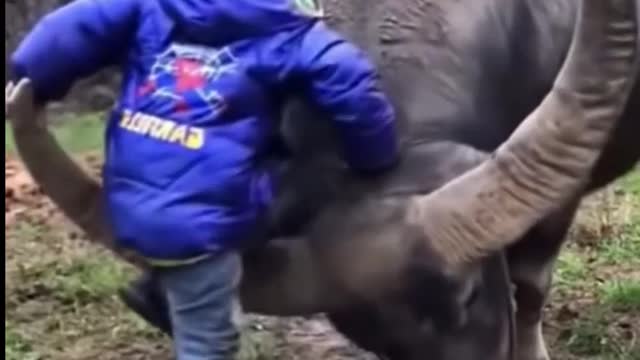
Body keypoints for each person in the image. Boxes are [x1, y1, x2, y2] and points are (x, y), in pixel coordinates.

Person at [8, 0, 399, 358]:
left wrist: (29, 77)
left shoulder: (155, 6)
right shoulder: (293, 37)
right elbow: (353, 90)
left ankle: (165, 288)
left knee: (191, 228)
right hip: (201, 224)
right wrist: (375, 159)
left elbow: (73, 28)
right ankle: (180, 298)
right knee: (208, 340)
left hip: (128, 199)